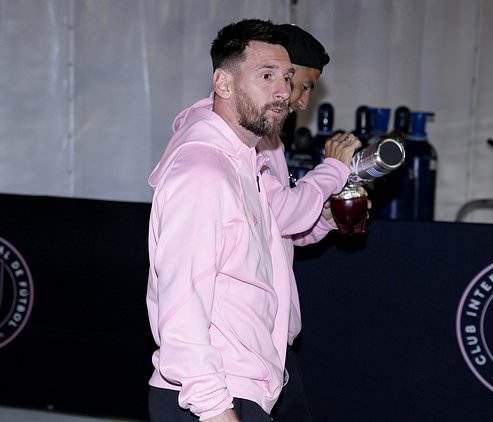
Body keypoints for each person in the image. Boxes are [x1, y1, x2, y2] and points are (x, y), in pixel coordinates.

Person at [146, 19, 299, 422]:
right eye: (266, 75)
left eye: (286, 77)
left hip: (238, 391)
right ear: (224, 84)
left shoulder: (245, 166)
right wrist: (217, 410)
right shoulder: (204, 172)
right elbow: (181, 306)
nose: (283, 91)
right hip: (210, 400)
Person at [256, 24, 362, 421]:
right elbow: (283, 213)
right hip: (244, 341)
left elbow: (279, 226)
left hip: (272, 338)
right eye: (302, 85)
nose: (302, 101)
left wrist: (327, 218)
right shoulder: (235, 143)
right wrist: (333, 167)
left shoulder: (271, 142)